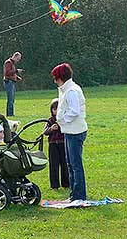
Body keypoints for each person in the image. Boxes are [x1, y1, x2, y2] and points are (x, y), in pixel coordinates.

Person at [51, 63, 88, 201]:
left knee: (75, 165)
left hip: (75, 131)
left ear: (61, 77)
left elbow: (74, 111)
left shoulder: (72, 91)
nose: (55, 81)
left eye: (56, 78)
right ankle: (74, 194)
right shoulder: (65, 89)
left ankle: (79, 195)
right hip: (69, 131)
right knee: (70, 164)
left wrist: (62, 120)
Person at [44, 98, 70, 190]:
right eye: (54, 109)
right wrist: (51, 129)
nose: (56, 111)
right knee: (53, 165)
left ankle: (66, 184)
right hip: (53, 144)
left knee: (65, 164)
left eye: (58, 109)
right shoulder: (50, 120)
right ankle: (54, 185)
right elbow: (45, 132)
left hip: (63, 144)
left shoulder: (64, 119)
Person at [3, 52, 24, 116]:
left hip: (12, 82)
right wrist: (17, 71)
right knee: (10, 99)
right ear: (15, 56)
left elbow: (11, 73)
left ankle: (11, 113)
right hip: (9, 82)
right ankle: (10, 114)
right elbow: (7, 73)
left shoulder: (12, 63)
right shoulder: (8, 62)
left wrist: (17, 77)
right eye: (18, 59)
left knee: (12, 99)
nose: (18, 60)